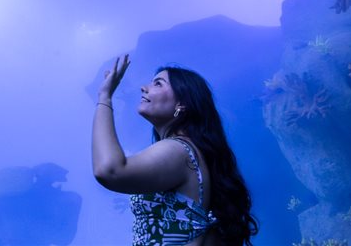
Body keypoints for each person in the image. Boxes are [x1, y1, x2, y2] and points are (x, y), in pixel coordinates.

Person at [92, 55, 259, 246]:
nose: (144, 88)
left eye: (158, 83)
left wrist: (104, 98)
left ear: (182, 104)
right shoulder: (188, 151)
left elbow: (109, 170)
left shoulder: (178, 150)